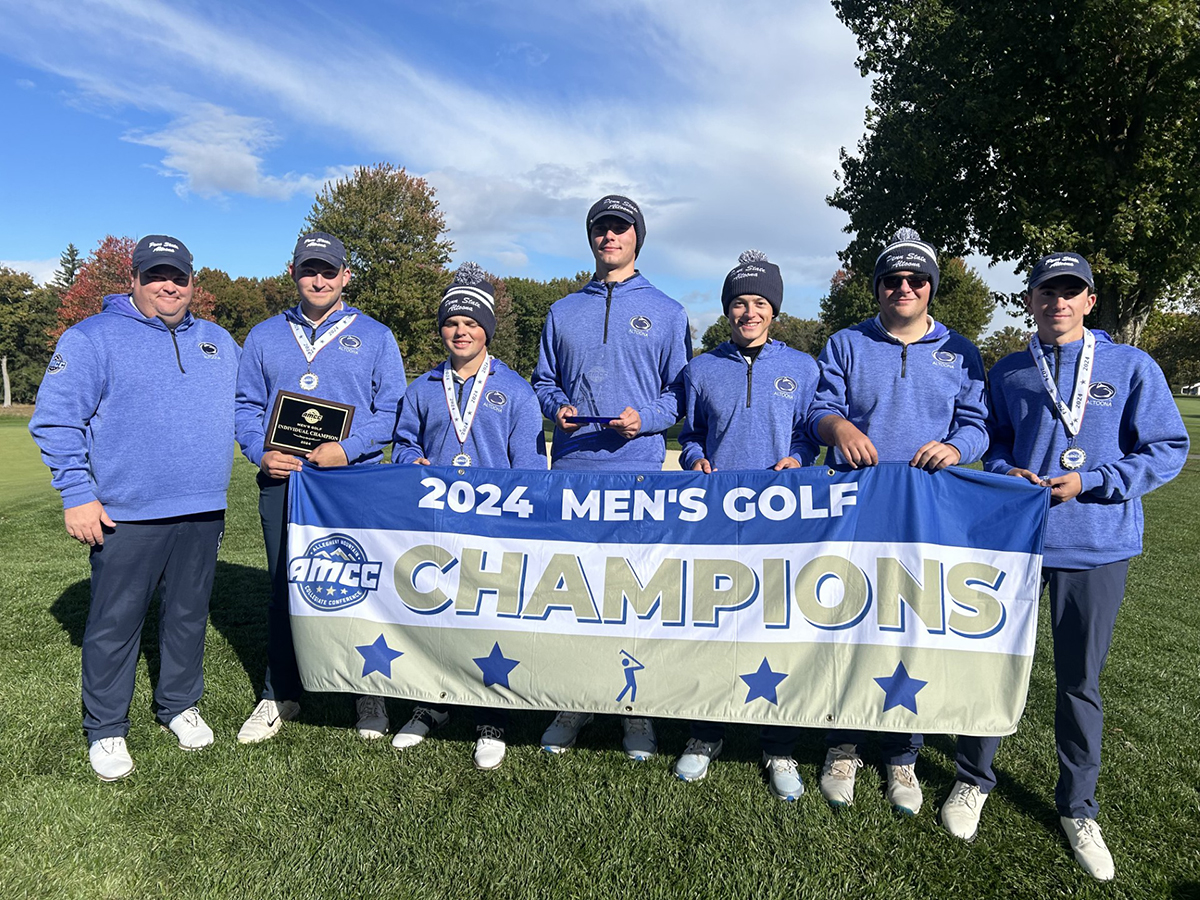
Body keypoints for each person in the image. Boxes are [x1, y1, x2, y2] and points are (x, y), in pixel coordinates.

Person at [939, 253, 1188, 881]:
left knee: (1080, 681)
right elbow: (990, 439)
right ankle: (974, 779)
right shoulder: (1011, 371)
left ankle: (1078, 807)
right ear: (1030, 299)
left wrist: (1095, 481)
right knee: (992, 666)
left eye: (1070, 292)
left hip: (1097, 545)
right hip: (1016, 544)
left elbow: (1167, 448)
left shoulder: (1132, 365)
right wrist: (1002, 471)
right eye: (1046, 291)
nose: (1057, 302)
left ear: (1089, 301)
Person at [30, 234, 239, 780]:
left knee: (188, 615)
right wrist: (77, 493)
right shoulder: (91, 338)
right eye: (155, 275)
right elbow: (54, 420)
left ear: (193, 282)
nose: (168, 285)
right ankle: (106, 728)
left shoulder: (219, 341)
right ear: (134, 279)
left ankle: (178, 705)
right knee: (115, 622)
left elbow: (249, 412)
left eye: (179, 276)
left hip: (201, 507)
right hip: (126, 512)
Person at [807, 227, 988, 814]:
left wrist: (958, 446)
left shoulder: (960, 350)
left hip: (925, 511)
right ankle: (843, 743)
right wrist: (839, 428)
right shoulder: (845, 342)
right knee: (848, 621)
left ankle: (903, 755)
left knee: (911, 624)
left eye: (915, 280)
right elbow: (819, 408)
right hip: (856, 508)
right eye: (892, 279)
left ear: (931, 287)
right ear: (878, 287)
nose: (903, 288)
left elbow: (977, 420)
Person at [531, 194, 691, 760]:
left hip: (637, 471)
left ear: (637, 238)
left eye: (620, 228)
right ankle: (573, 700)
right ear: (591, 237)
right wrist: (557, 409)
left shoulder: (668, 311)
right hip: (574, 469)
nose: (609, 237)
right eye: (600, 228)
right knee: (575, 591)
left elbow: (680, 396)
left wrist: (644, 419)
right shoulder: (562, 309)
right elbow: (543, 381)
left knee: (631, 593)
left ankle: (636, 709)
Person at [234, 232, 406, 743]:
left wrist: (348, 449)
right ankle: (279, 692)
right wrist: (257, 451)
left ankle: (367, 691)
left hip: (350, 482)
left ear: (345, 277)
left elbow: (393, 410)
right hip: (283, 481)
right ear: (293, 273)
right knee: (285, 587)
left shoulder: (375, 336)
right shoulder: (264, 335)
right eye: (310, 269)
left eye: (329, 270)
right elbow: (244, 407)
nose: (319, 278)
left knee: (360, 585)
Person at [674, 250, 819, 800]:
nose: (749, 312)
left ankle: (777, 741)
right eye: (739, 303)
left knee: (776, 630)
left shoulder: (804, 368)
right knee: (713, 626)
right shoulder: (702, 368)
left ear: (774, 311)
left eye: (759, 303)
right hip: (716, 519)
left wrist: (799, 459)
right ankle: (705, 731)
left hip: (781, 524)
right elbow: (689, 434)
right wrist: (694, 459)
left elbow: (810, 432)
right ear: (727, 311)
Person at [390, 262, 547, 769]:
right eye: (452, 323)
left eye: (471, 323)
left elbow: (528, 466)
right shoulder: (421, 387)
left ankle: (489, 717)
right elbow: (404, 443)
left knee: (484, 619)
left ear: (487, 331)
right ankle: (431, 704)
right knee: (432, 612)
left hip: (491, 525)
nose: (461, 331)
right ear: (442, 330)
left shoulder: (516, 391)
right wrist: (406, 461)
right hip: (434, 523)